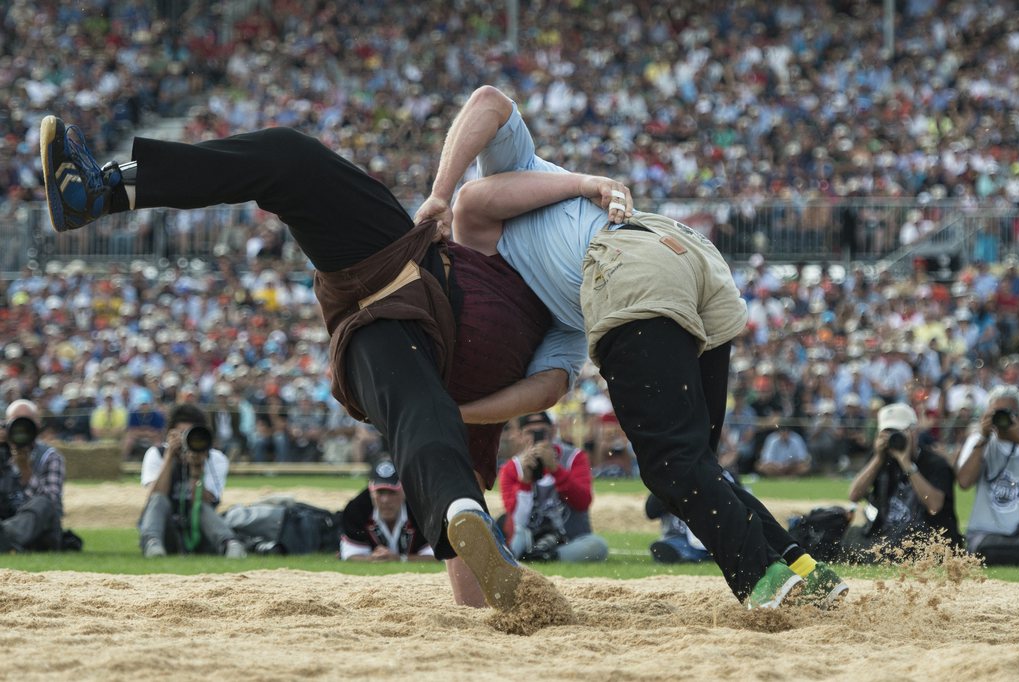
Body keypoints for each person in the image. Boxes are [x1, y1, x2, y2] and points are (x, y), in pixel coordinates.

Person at [40, 114, 576, 610]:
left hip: (392, 343)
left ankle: (467, 520)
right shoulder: (523, 229)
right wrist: (583, 184)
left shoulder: (574, 315)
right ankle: (102, 189)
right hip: (405, 266)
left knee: (430, 434)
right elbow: (485, 127)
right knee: (290, 157)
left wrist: (464, 413)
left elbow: (548, 388)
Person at [415, 85, 847, 609]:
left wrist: (444, 192)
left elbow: (486, 115)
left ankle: (764, 582)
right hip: (688, 259)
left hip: (627, 266)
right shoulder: (552, 313)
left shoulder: (497, 210)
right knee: (694, 467)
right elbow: (549, 386)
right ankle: (803, 569)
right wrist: (463, 412)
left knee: (669, 464)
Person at [843, 402, 963, 562]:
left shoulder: (935, 463)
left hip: (926, 537)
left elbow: (934, 506)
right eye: (888, 433)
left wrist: (906, 463)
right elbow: (854, 495)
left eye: (898, 432)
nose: (893, 439)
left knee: (900, 541)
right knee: (848, 534)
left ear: (914, 432)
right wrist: (878, 458)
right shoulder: (881, 459)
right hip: (889, 534)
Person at [138, 403, 247, 558]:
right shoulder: (156, 454)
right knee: (157, 500)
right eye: (181, 434)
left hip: (199, 529)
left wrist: (196, 470)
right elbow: (153, 497)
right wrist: (169, 457)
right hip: (167, 528)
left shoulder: (215, 459)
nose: (186, 440)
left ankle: (230, 544)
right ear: (170, 434)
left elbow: (206, 502)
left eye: (191, 434)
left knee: (200, 506)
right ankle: (152, 544)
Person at [497, 412, 608, 563]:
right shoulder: (511, 468)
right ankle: (526, 556)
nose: (537, 438)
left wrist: (555, 470)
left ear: (553, 431)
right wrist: (524, 482)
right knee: (506, 533)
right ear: (519, 436)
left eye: (542, 432)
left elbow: (583, 502)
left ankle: (542, 557)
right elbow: (517, 520)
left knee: (596, 545)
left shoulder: (574, 457)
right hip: (528, 537)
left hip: (569, 538)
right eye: (530, 432)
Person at [955, 386, 1019, 565]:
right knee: (986, 550)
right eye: (995, 414)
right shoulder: (978, 442)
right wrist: (983, 437)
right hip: (986, 533)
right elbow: (964, 482)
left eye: (1008, 413)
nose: (1002, 419)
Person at [0, 400, 66, 552]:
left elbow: (51, 502)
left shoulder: (50, 456)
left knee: (43, 503)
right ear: (6, 424)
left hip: (37, 528)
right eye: (15, 422)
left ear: (37, 424)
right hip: (5, 515)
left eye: (26, 421)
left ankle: (7, 536)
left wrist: (26, 472)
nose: (20, 427)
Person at [339, 460, 434, 562]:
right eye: (380, 492)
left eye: (392, 492)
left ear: (405, 489)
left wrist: (399, 559)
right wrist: (372, 559)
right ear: (370, 490)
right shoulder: (356, 510)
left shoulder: (424, 511)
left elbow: (436, 556)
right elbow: (351, 555)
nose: (385, 500)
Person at [644, 493, 710, 564]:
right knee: (675, 545)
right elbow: (651, 512)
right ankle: (686, 554)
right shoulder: (666, 487)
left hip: (705, 537)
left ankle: (689, 554)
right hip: (677, 536)